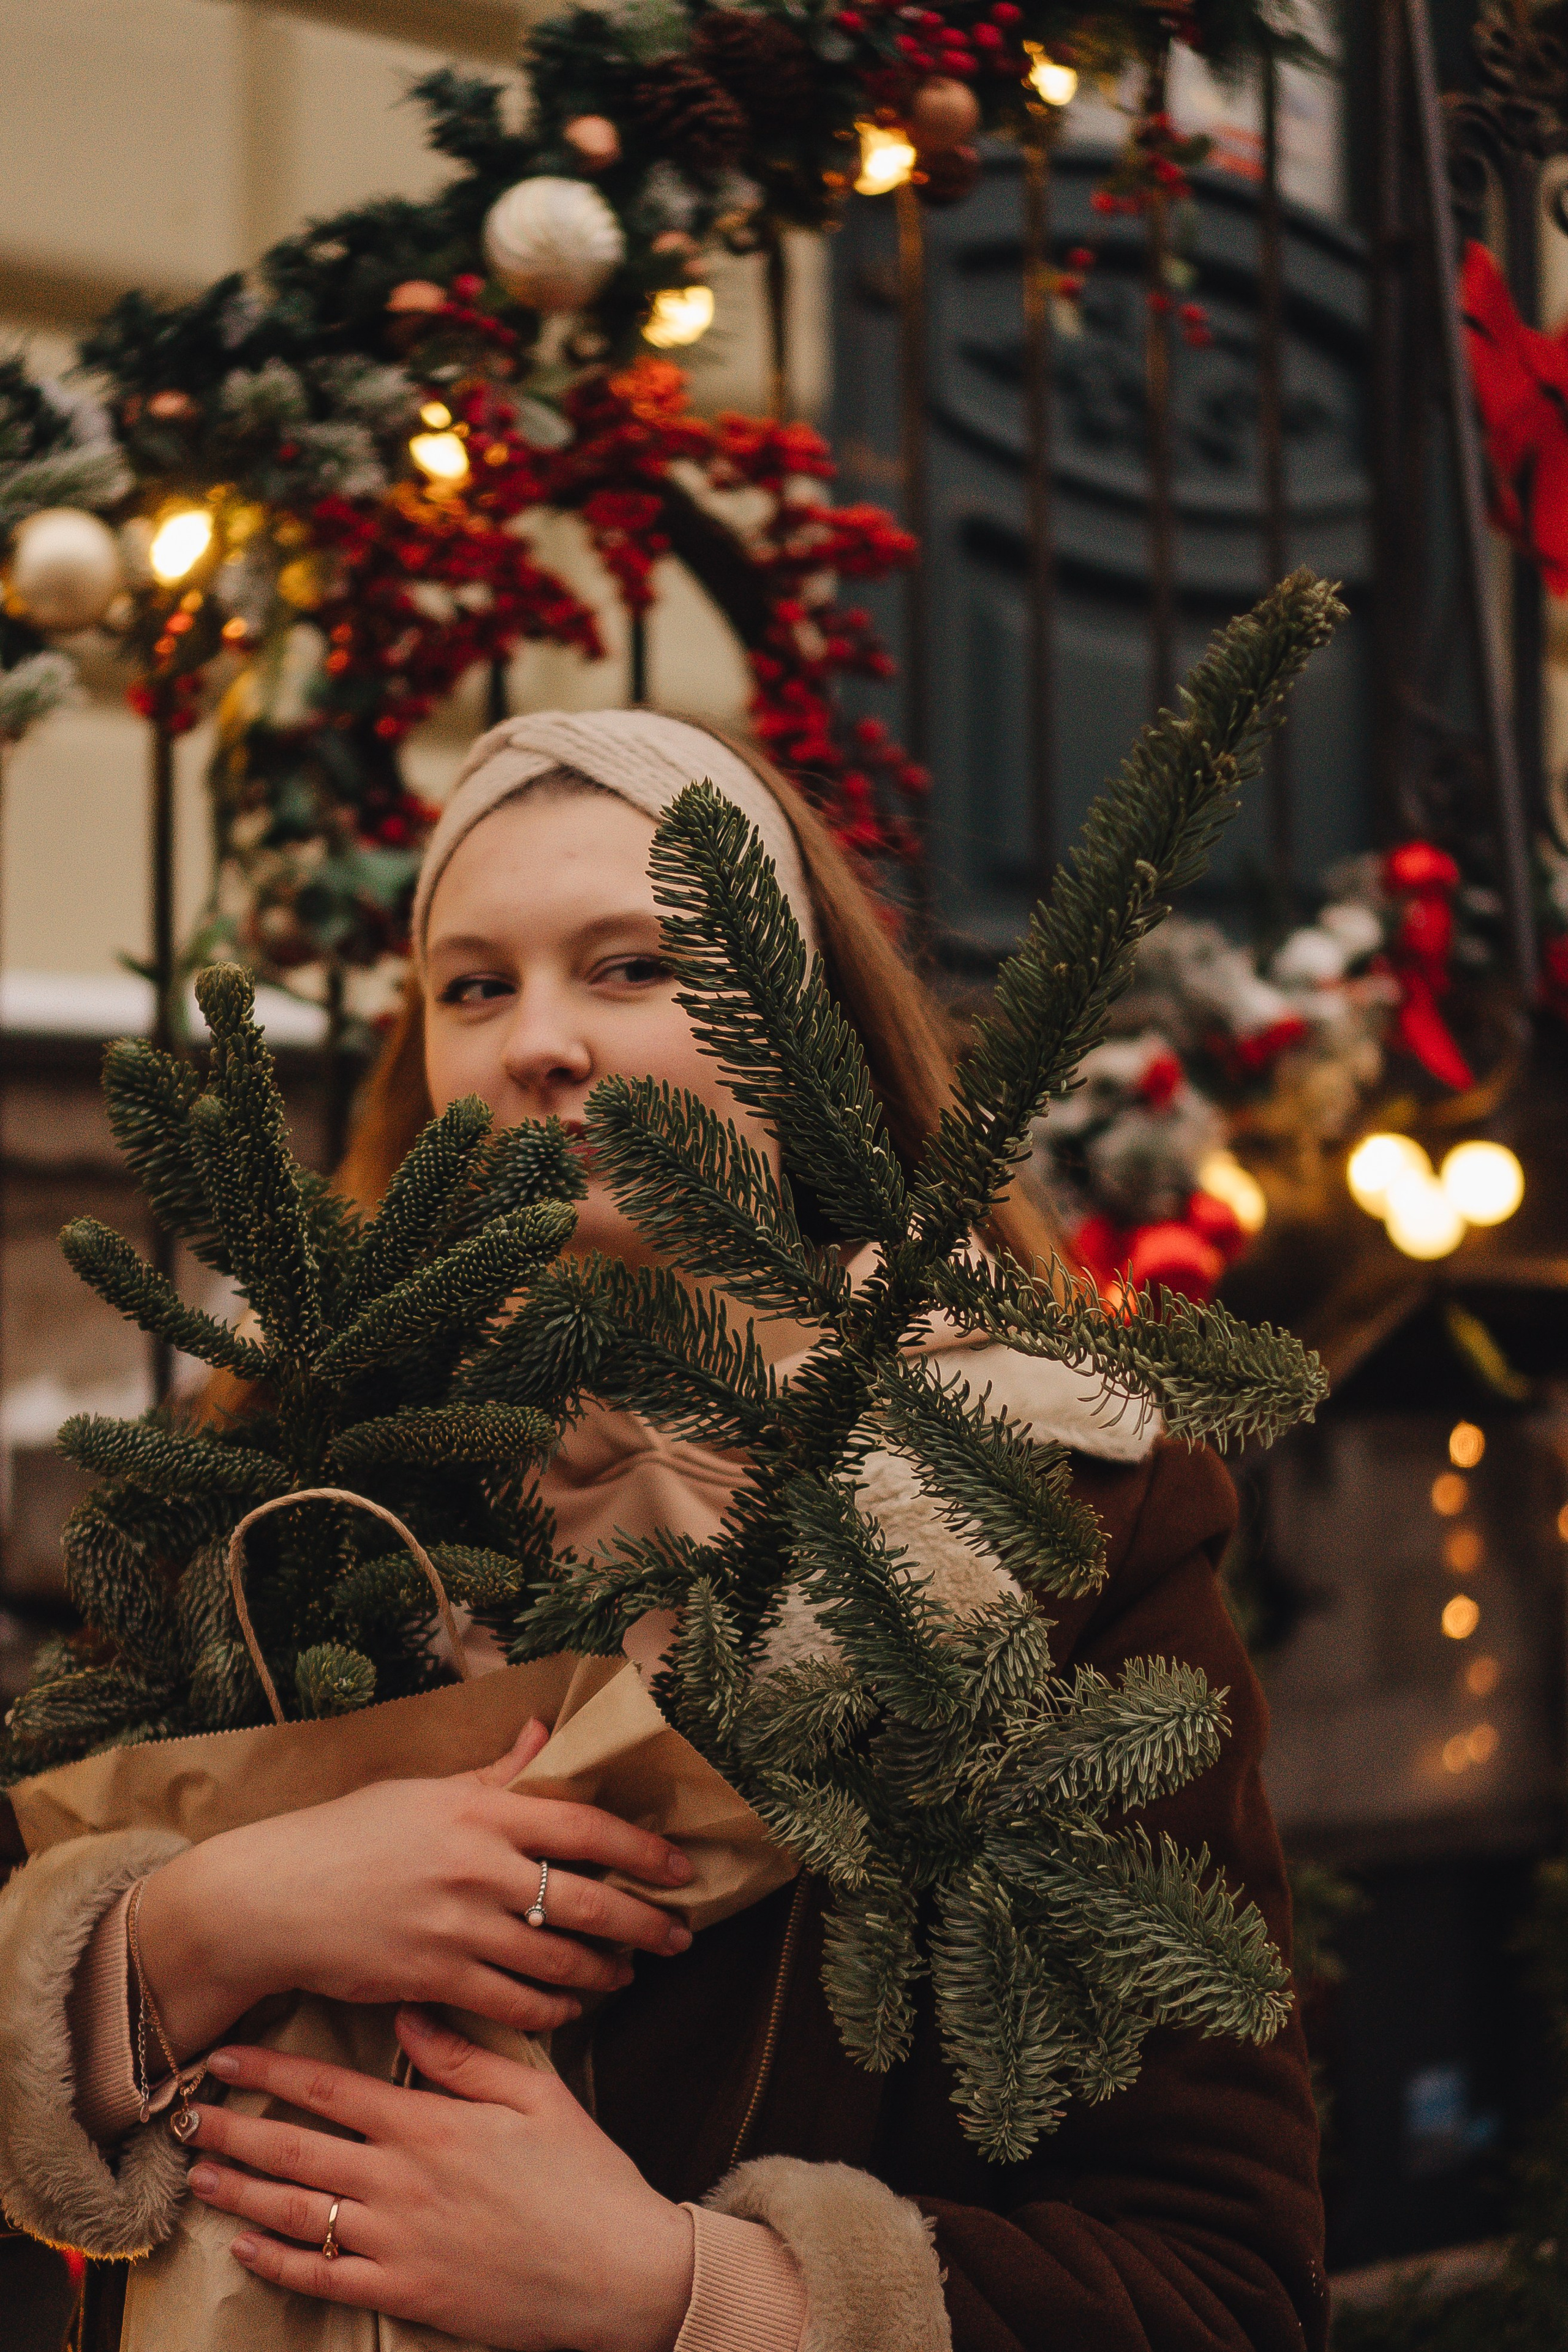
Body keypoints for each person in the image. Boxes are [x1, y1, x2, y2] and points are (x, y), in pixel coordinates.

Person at [0, 710, 1327, 2352]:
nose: (538, 1042)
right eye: (473, 986)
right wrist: (201, 1926)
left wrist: (681, 2287)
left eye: (630, 967)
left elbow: (1220, 2289)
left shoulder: (1053, 1511)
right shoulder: (278, 1487)